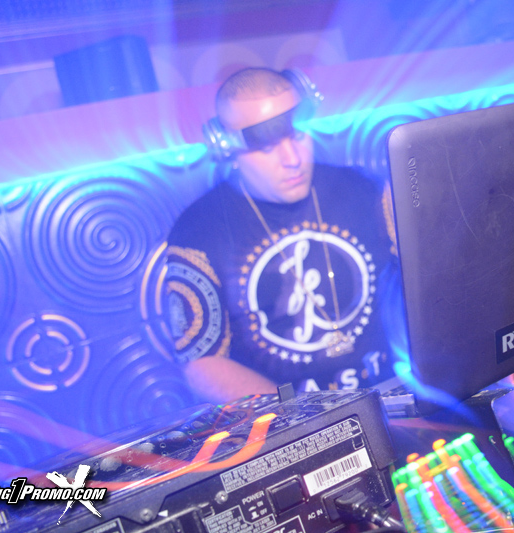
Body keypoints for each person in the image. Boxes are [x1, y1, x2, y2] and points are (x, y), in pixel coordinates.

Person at [164, 67, 398, 403]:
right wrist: (304, 417)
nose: (292, 159)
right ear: (225, 146)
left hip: (393, 394)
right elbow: (202, 364)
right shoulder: (199, 231)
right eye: (267, 147)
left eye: (297, 135)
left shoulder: (364, 189)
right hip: (291, 421)